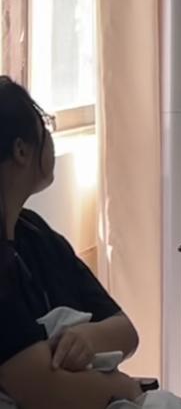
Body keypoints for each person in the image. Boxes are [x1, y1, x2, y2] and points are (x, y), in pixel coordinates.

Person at [0, 76, 143, 409]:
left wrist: (86, 338)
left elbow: (126, 331)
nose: (50, 139)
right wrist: (125, 387)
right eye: (45, 127)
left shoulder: (35, 233)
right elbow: (45, 391)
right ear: (21, 150)